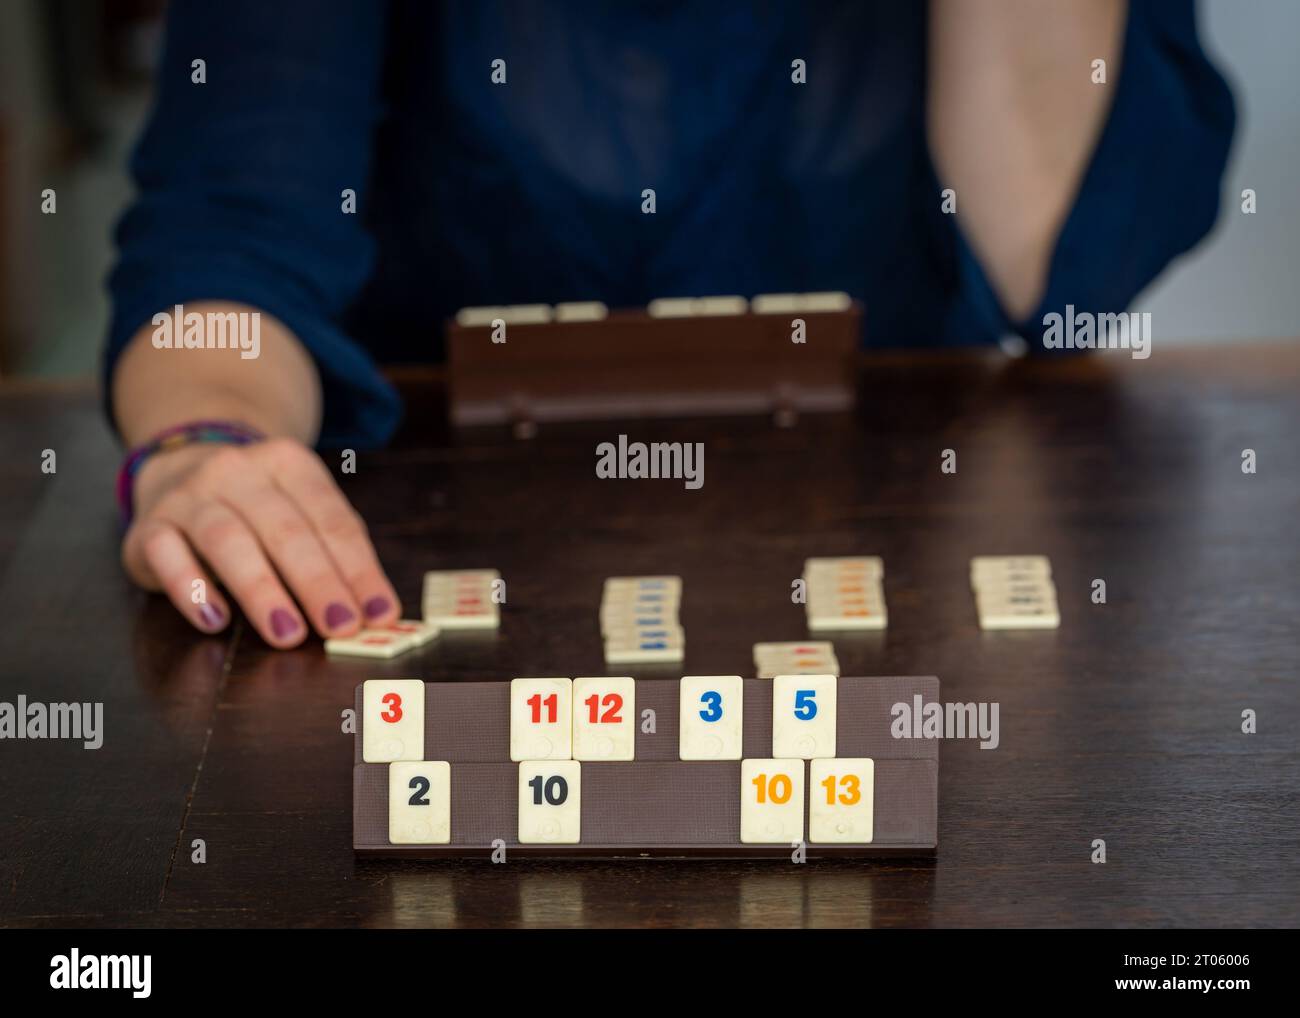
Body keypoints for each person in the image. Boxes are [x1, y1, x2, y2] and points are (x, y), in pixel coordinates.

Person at [105, 0, 1235, 648]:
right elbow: (231, 224)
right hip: (447, 549)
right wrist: (207, 442)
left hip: (916, 570)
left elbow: (1058, 281)